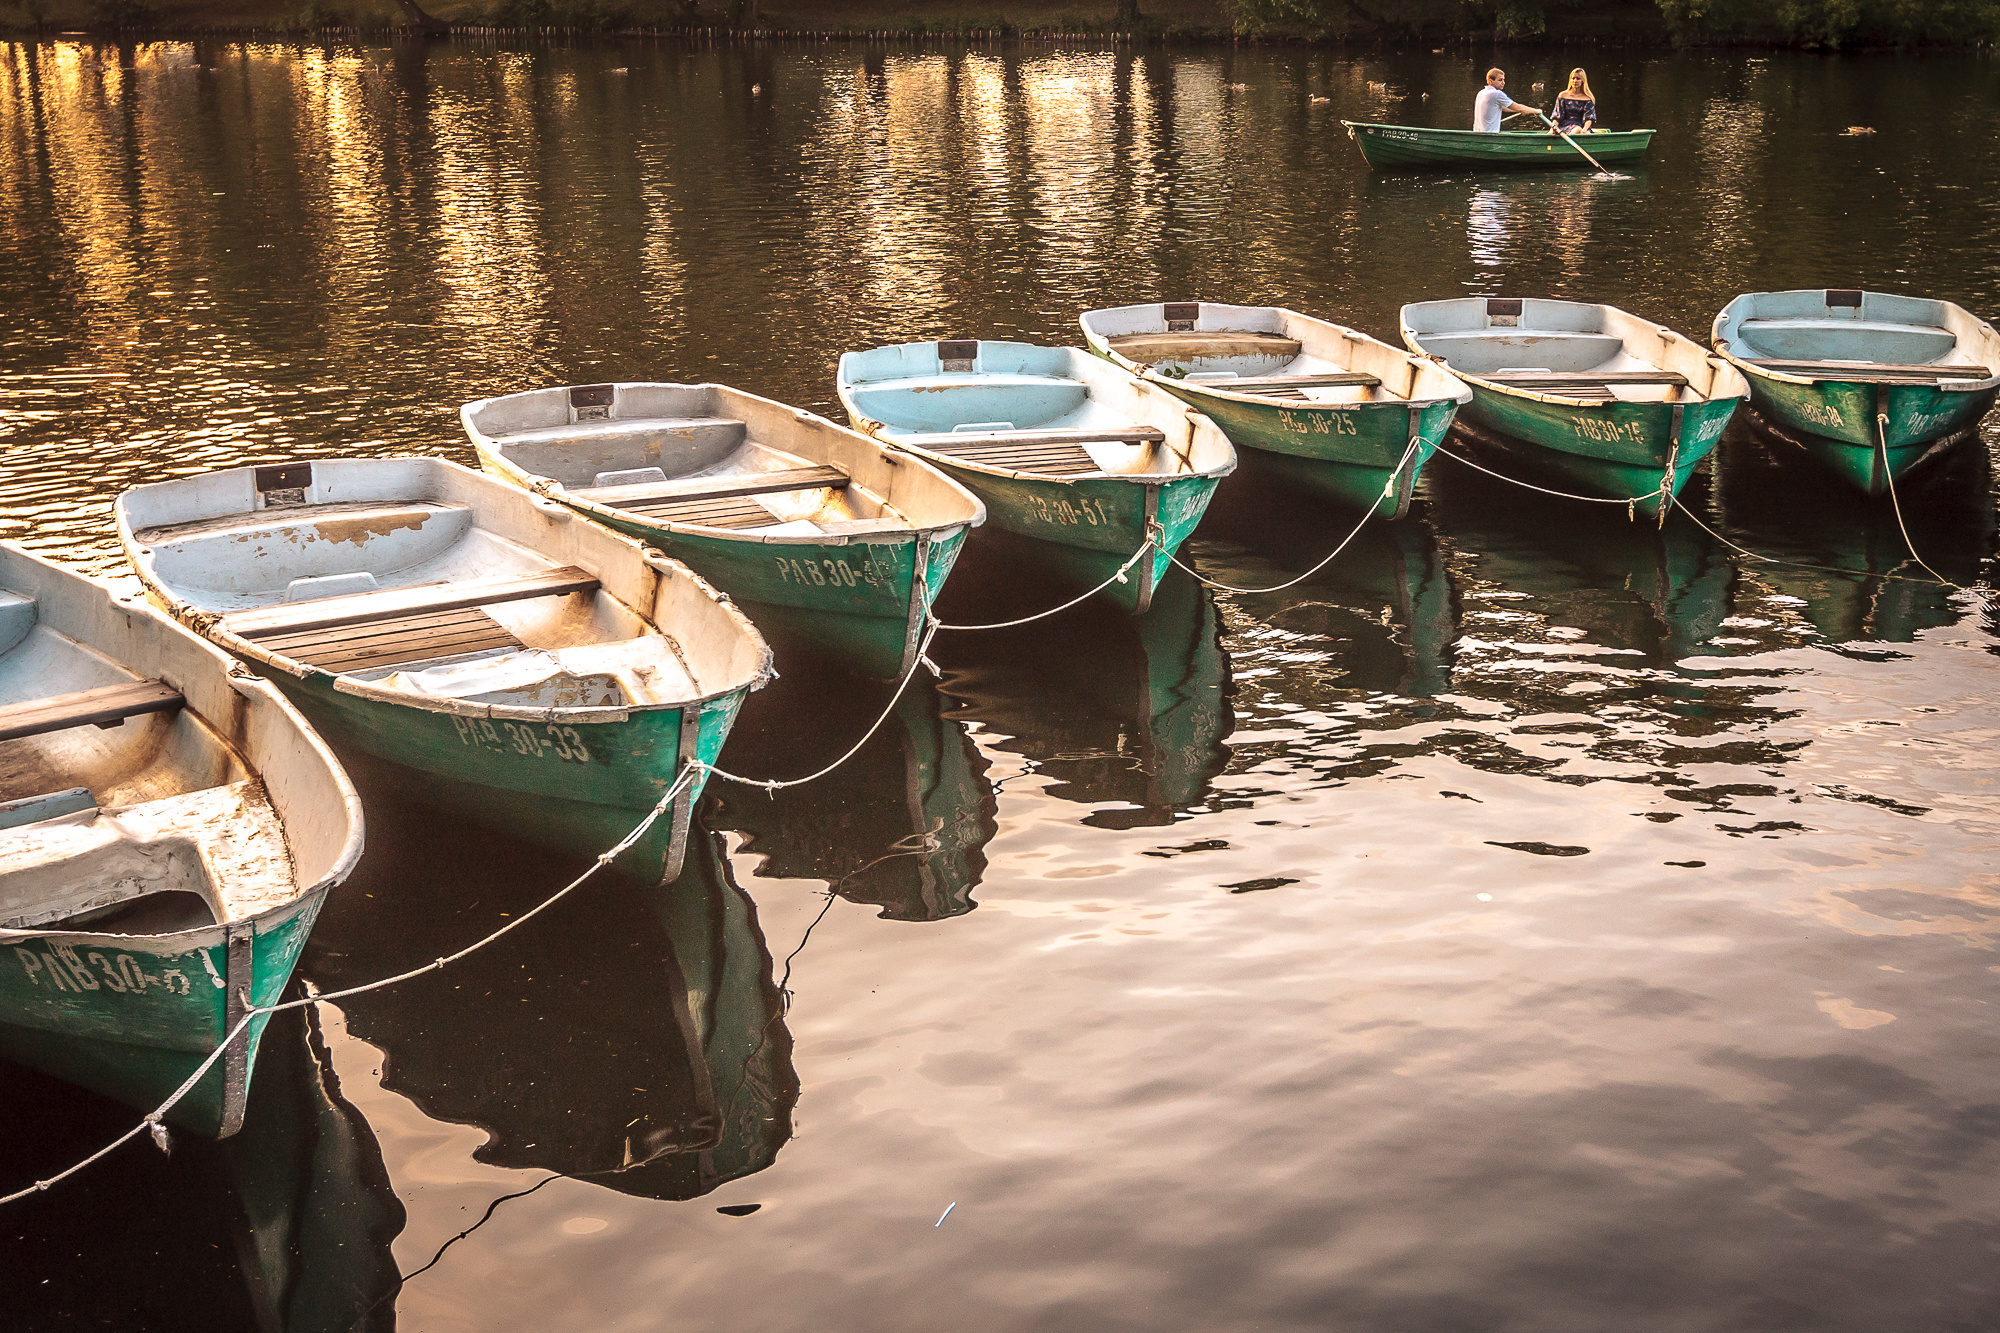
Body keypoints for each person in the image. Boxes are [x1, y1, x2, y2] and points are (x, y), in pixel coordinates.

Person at [1473, 68, 1538, 134]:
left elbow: (1505, 108)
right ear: (1490, 81)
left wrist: (1526, 111)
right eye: (1500, 80)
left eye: (1503, 80)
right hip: (1490, 136)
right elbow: (1518, 107)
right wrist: (1536, 111)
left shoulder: (1481, 93)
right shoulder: (1497, 94)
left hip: (1477, 134)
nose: (1503, 83)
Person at [1550, 68, 1596, 134]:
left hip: (1582, 126)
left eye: (1578, 78)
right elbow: (1557, 116)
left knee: (1584, 132)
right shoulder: (1562, 95)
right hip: (1564, 126)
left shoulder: (1588, 98)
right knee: (1577, 130)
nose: (1575, 81)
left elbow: (1589, 118)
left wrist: (1585, 129)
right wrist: (1553, 128)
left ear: (1583, 80)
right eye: (1573, 78)